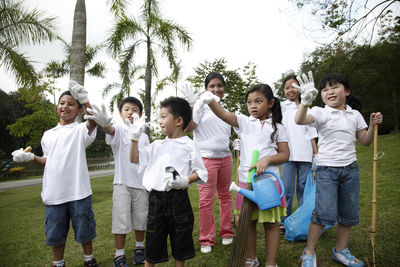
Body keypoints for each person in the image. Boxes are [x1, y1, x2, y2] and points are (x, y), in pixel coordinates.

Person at [194, 84, 290, 267]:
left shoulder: (278, 126)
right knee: (248, 222)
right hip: (247, 182)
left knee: (271, 224)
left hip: (268, 183)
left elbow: (285, 155)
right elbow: (223, 114)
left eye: (258, 101)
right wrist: (211, 100)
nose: (253, 106)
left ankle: (271, 263)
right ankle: (250, 258)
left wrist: (268, 160)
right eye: (249, 102)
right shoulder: (244, 122)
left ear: (270, 103)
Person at [294, 72, 383, 267]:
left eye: (334, 87)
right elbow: (299, 120)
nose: (329, 92)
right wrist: (305, 103)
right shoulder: (320, 111)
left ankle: (341, 251)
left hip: (350, 170)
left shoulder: (355, 115)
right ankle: (309, 252)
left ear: (347, 91)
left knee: (348, 213)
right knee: (322, 213)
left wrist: (372, 126)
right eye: (325, 89)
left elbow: (365, 141)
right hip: (327, 170)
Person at [11, 81, 99, 267]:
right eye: (62, 103)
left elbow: (93, 122)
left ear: (79, 111)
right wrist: (30, 157)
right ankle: (58, 263)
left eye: (71, 104)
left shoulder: (80, 129)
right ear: (57, 107)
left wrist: (86, 100)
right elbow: (48, 160)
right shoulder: (48, 134)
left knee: (84, 230)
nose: (65, 107)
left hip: (78, 191)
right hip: (54, 193)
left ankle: (89, 260)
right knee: (55, 233)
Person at [129, 97, 208, 267]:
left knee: (180, 243)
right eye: (159, 117)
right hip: (156, 200)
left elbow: (201, 172)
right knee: (152, 243)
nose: (160, 121)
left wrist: (185, 180)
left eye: (164, 116)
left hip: (179, 200)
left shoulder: (189, 144)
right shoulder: (156, 145)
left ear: (178, 121)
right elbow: (134, 158)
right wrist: (134, 138)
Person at [87, 97, 150, 266]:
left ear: (141, 114)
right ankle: (119, 254)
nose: (131, 113)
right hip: (122, 183)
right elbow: (109, 129)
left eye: (135, 110)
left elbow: (147, 162)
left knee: (141, 219)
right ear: (121, 114)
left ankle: (139, 248)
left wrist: (149, 184)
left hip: (141, 185)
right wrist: (102, 123)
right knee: (121, 221)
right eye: (127, 110)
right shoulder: (120, 131)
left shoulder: (144, 137)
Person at [183, 72, 234, 254]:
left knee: (226, 196)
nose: (216, 89)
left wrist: (229, 143)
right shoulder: (200, 106)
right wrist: (191, 105)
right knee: (206, 201)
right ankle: (206, 238)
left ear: (223, 89)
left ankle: (227, 231)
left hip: (225, 157)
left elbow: (223, 132)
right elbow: (189, 128)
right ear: (206, 89)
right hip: (206, 159)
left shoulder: (225, 107)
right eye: (212, 86)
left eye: (219, 85)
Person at [279, 75, 318, 233]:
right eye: (287, 87)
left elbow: (311, 133)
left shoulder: (306, 107)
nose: (290, 90)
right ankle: (283, 221)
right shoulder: (282, 107)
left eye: (293, 86)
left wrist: (316, 154)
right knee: (286, 188)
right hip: (288, 155)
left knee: (303, 189)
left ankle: (302, 221)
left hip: (305, 155)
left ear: (300, 88)